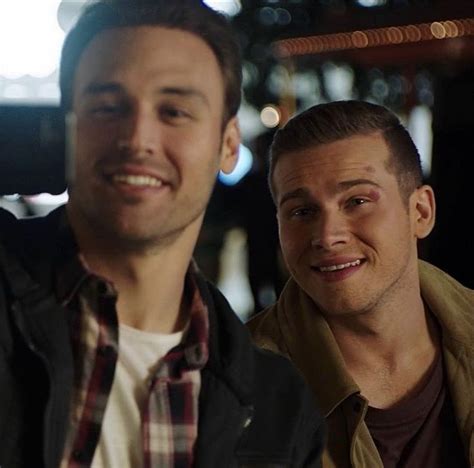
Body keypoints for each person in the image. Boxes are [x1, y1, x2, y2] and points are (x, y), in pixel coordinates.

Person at [0, 2, 326, 467]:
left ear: (228, 144)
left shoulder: (280, 409)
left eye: (174, 111)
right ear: (65, 130)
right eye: (107, 106)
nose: (137, 138)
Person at [248, 100, 473, 468]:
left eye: (357, 201)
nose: (327, 236)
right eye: (302, 212)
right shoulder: (232, 393)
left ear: (420, 212)